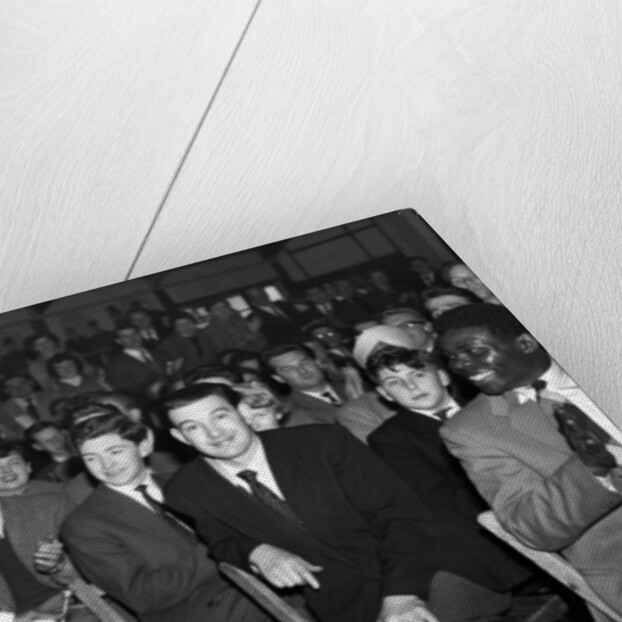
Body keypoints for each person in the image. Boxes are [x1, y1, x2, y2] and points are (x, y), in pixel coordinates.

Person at [163, 382, 442, 622]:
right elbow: (221, 542)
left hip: (422, 570)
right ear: (180, 437)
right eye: (193, 427)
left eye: (220, 416)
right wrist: (255, 551)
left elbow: (400, 518)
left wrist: (401, 595)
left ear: (244, 412)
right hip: (342, 602)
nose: (213, 433)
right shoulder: (186, 490)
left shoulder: (322, 443)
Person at [435, 303, 622, 619]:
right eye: (451, 357)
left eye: (473, 350)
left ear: (525, 342)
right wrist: (591, 470)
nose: (460, 365)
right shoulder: (473, 430)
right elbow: (530, 526)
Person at [366, 346, 533, 621]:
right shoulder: (390, 438)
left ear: (443, 376)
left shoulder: (492, 401)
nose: (410, 386)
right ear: (385, 394)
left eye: (418, 374)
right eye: (394, 382)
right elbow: (436, 497)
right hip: (491, 527)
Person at [60, 408, 269, 622]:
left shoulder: (188, 480)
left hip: (259, 582)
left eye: (115, 452)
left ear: (143, 446)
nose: (107, 465)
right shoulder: (84, 524)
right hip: (203, 613)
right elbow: (144, 595)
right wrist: (221, 542)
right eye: (91, 459)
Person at [0, 443, 96, 621]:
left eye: (14, 463)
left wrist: (59, 565)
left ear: (28, 467)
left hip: (66, 598)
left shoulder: (57, 499)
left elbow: (92, 558)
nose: (6, 472)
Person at [263, 344, 370, 427]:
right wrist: (357, 403)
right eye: (289, 369)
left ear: (317, 362)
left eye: (305, 363)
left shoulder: (354, 383)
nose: (302, 371)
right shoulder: (293, 415)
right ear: (278, 378)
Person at [105, 325, 177, 399]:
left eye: (135, 334)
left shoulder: (159, 353)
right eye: (126, 336)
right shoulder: (116, 365)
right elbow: (125, 393)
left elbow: (172, 372)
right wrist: (149, 391)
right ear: (118, 341)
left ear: (140, 334)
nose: (132, 338)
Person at [0, 374, 58, 442]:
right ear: (6, 390)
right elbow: (8, 434)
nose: (19, 387)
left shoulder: (52, 396)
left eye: (22, 383)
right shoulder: (3, 410)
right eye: (12, 386)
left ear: (31, 383)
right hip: (31, 443)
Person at [46, 352, 111, 398]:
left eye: (70, 365)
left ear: (76, 365)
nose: (66, 369)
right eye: (60, 367)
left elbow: (112, 394)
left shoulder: (94, 378)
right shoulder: (56, 388)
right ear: (54, 370)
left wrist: (103, 383)